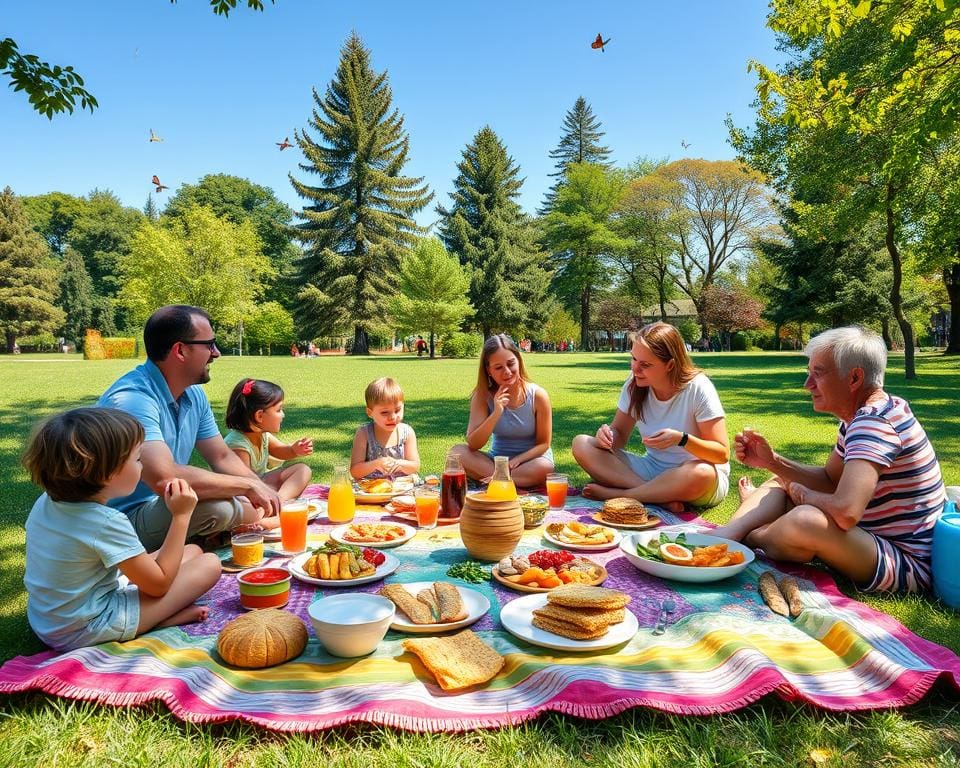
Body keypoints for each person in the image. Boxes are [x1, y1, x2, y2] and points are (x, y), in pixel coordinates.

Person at [713, 326, 946, 594]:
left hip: (905, 563)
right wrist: (773, 461)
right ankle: (731, 531)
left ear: (855, 377)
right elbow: (828, 479)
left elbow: (846, 512)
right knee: (782, 479)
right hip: (871, 537)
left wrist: (801, 494)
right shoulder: (867, 414)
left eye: (818, 373)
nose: (807, 384)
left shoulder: (873, 424)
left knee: (806, 520)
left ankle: (753, 534)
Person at [22, 408, 221, 651]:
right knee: (209, 564)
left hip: (50, 619)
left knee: (192, 551)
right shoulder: (104, 521)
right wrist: (181, 515)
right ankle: (152, 623)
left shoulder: (47, 501)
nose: (142, 465)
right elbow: (158, 585)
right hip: (85, 628)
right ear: (107, 474)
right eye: (137, 459)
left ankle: (152, 618)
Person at [98, 305, 281, 551]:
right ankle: (210, 535)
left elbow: (221, 455)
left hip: (167, 503)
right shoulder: (133, 400)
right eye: (209, 344)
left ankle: (207, 536)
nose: (216, 353)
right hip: (119, 522)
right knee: (218, 507)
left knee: (238, 500)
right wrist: (247, 487)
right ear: (181, 350)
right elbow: (163, 478)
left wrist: (259, 488)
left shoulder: (193, 394)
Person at [572, 321, 730, 510]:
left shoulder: (698, 388)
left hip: (694, 475)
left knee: (702, 472)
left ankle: (622, 495)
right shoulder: (635, 385)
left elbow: (721, 454)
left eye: (645, 364)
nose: (635, 369)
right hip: (652, 469)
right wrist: (607, 437)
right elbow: (620, 435)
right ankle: (656, 496)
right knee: (582, 443)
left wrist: (682, 439)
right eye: (633, 359)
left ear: (670, 365)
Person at [451, 334, 554, 488]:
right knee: (457, 453)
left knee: (544, 468)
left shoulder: (538, 395)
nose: (507, 371)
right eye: (498, 367)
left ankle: (494, 481)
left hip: (530, 462)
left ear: (519, 361)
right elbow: (473, 444)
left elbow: (544, 444)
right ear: (488, 370)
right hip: (496, 462)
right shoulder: (482, 396)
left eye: (511, 363)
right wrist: (497, 412)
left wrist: (518, 460)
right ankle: (503, 481)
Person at [223, 378, 314, 522]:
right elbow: (244, 482)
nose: (283, 414)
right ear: (259, 415)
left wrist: (294, 450)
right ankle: (268, 512)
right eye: (279, 410)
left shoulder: (262, 434)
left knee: (303, 469)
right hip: (242, 493)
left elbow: (280, 450)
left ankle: (279, 502)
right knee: (244, 505)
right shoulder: (238, 444)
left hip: (259, 485)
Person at [350, 377, 421, 479]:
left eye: (397, 410)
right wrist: (375, 464)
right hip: (371, 490)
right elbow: (355, 472)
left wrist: (398, 463)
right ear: (370, 413)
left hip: (402, 491)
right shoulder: (364, 434)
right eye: (384, 412)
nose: (392, 417)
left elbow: (415, 466)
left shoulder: (407, 433)